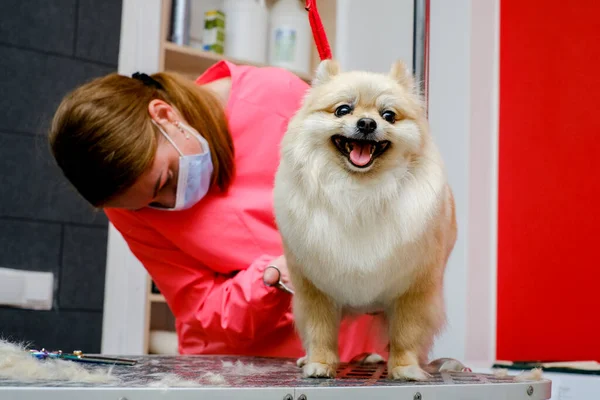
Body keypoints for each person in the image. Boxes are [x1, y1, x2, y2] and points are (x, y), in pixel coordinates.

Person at [48, 60, 388, 361]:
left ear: (165, 115)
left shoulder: (273, 98)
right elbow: (201, 313)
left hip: (354, 345)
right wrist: (272, 276)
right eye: (148, 205)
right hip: (244, 367)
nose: (169, 204)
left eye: (166, 179)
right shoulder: (126, 208)